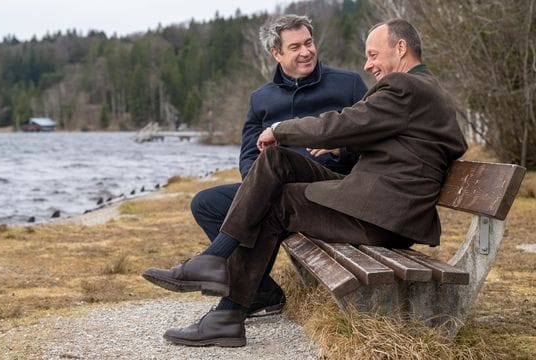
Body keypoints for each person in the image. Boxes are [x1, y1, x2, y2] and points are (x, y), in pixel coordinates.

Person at [142, 18, 468, 348]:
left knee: (278, 204)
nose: (368, 64)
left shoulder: (406, 87)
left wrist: (281, 129)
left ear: (401, 48)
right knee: (276, 160)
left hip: (383, 215)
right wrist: (345, 145)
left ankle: (227, 313)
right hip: (380, 204)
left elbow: (346, 121)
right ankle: (213, 262)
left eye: (373, 54)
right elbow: (403, 143)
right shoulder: (422, 89)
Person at [190, 14, 367, 318]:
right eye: (295, 46)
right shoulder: (261, 99)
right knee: (206, 203)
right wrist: (255, 187)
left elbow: (372, 139)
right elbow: (248, 155)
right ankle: (262, 292)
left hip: (329, 192)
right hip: (274, 190)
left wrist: (340, 149)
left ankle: (229, 295)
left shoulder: (348, 84)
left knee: (265, 199)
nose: (306, 52)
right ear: (277, 53)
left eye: (309, 42)